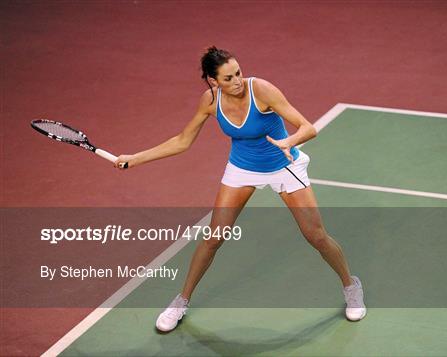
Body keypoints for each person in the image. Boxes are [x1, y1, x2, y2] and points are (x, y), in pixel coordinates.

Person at [115, 46, 366, 332]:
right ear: (213, 81)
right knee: (213, 238)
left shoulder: (261, 90)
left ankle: (351, 286)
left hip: (283, 166)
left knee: (316, 236)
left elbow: (308, 127)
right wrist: (135, 159)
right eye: (227, 78)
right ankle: (181, 301)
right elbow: (183, 141)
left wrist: (290, 141)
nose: (237, 81)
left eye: (238, 73)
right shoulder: (210, 101)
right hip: (242, 168)